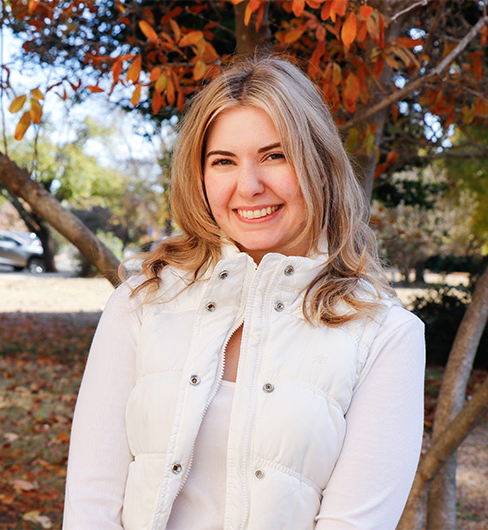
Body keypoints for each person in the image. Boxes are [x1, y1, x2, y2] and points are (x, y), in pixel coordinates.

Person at [63, 57, 425, 530]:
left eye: (276, 155)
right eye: (223, 162)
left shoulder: (385, 335)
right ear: (200, 175)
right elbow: (91, 504)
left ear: (318, 164)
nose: (249, 186)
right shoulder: (141, 303)